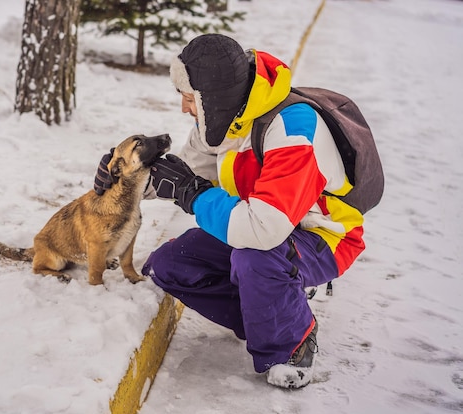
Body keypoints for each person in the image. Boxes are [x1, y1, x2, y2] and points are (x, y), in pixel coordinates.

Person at [94, 33, 365, 389]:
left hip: (322, 236)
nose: (184, 108)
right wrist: (124, 179)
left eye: (189, 99)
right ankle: (274, 310)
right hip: (262, 224)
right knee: (171, 264)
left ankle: (291, 344)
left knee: (256, 259)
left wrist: (193, 194)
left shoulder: (293, 131)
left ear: (211, 98)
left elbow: (262, 230)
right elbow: (189, 173)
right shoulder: (224, 119)